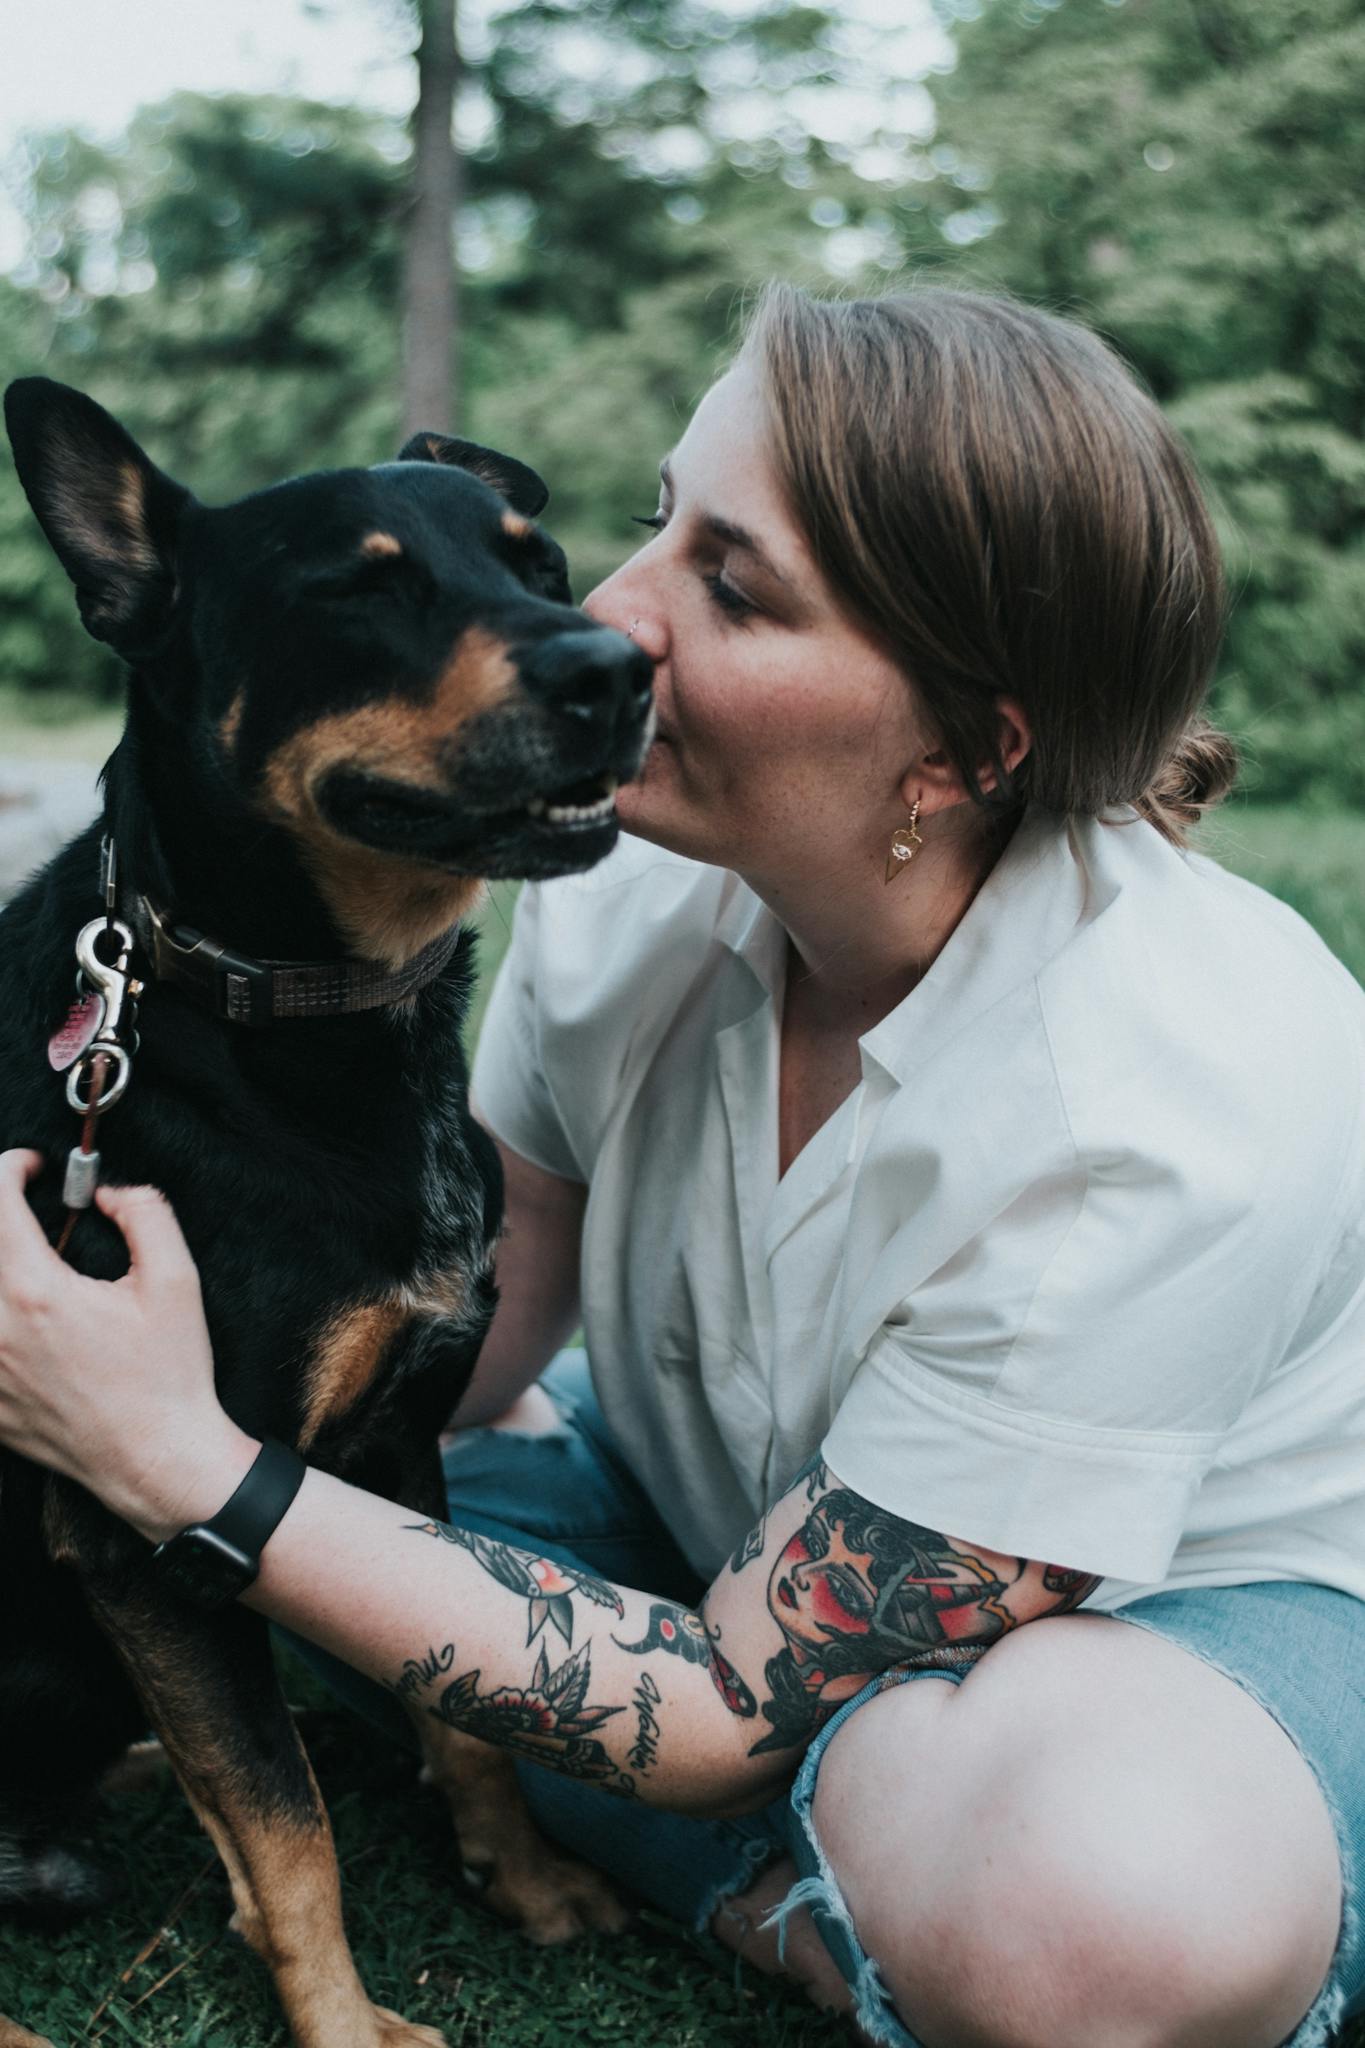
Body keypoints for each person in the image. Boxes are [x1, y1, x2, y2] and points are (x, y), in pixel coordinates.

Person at [1, 280, 1363, 2048]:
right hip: (712, 1529)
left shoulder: (1168, 1094)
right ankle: (822, 1835)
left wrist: (168, 1453)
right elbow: (467, 1349)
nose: (612, 620)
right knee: (361, 1554)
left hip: (1165, 1631)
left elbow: (721, 1700)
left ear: (962, 751)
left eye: (730, 586)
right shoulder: (607, 874)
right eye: (650, 523)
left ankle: (823, 1882)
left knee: (1101, 1913)